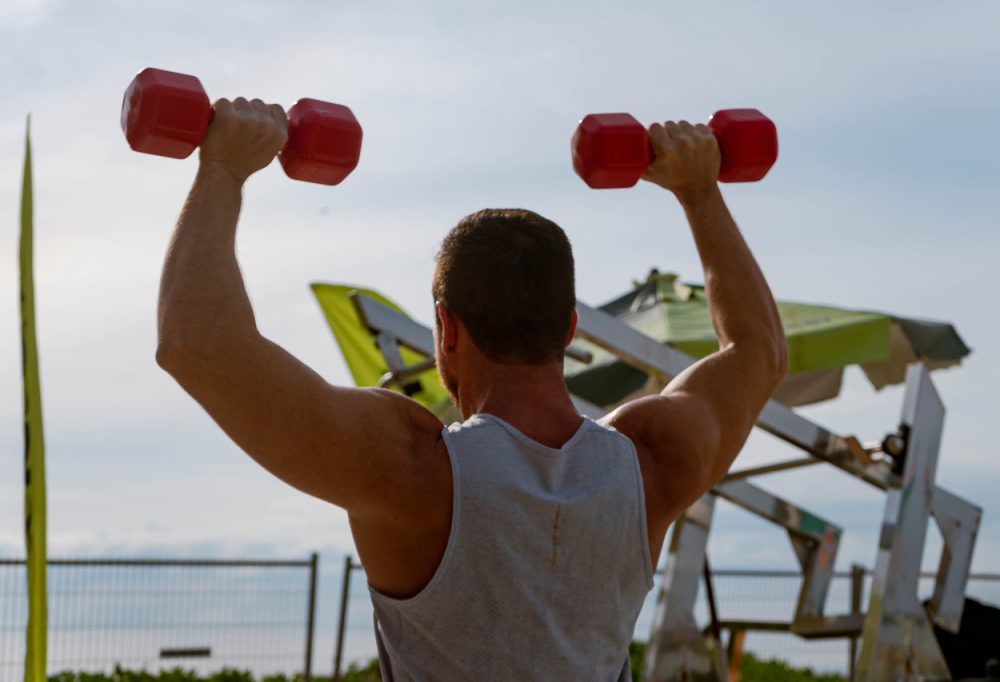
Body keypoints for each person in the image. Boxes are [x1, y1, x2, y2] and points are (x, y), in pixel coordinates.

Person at [156, 97, 788, 681]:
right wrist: (700, 193)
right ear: (569, 328)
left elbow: (197, 345)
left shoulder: (407, 468)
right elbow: (759, 352)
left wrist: (224, 168)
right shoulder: (654, 462)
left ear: (446, 329)